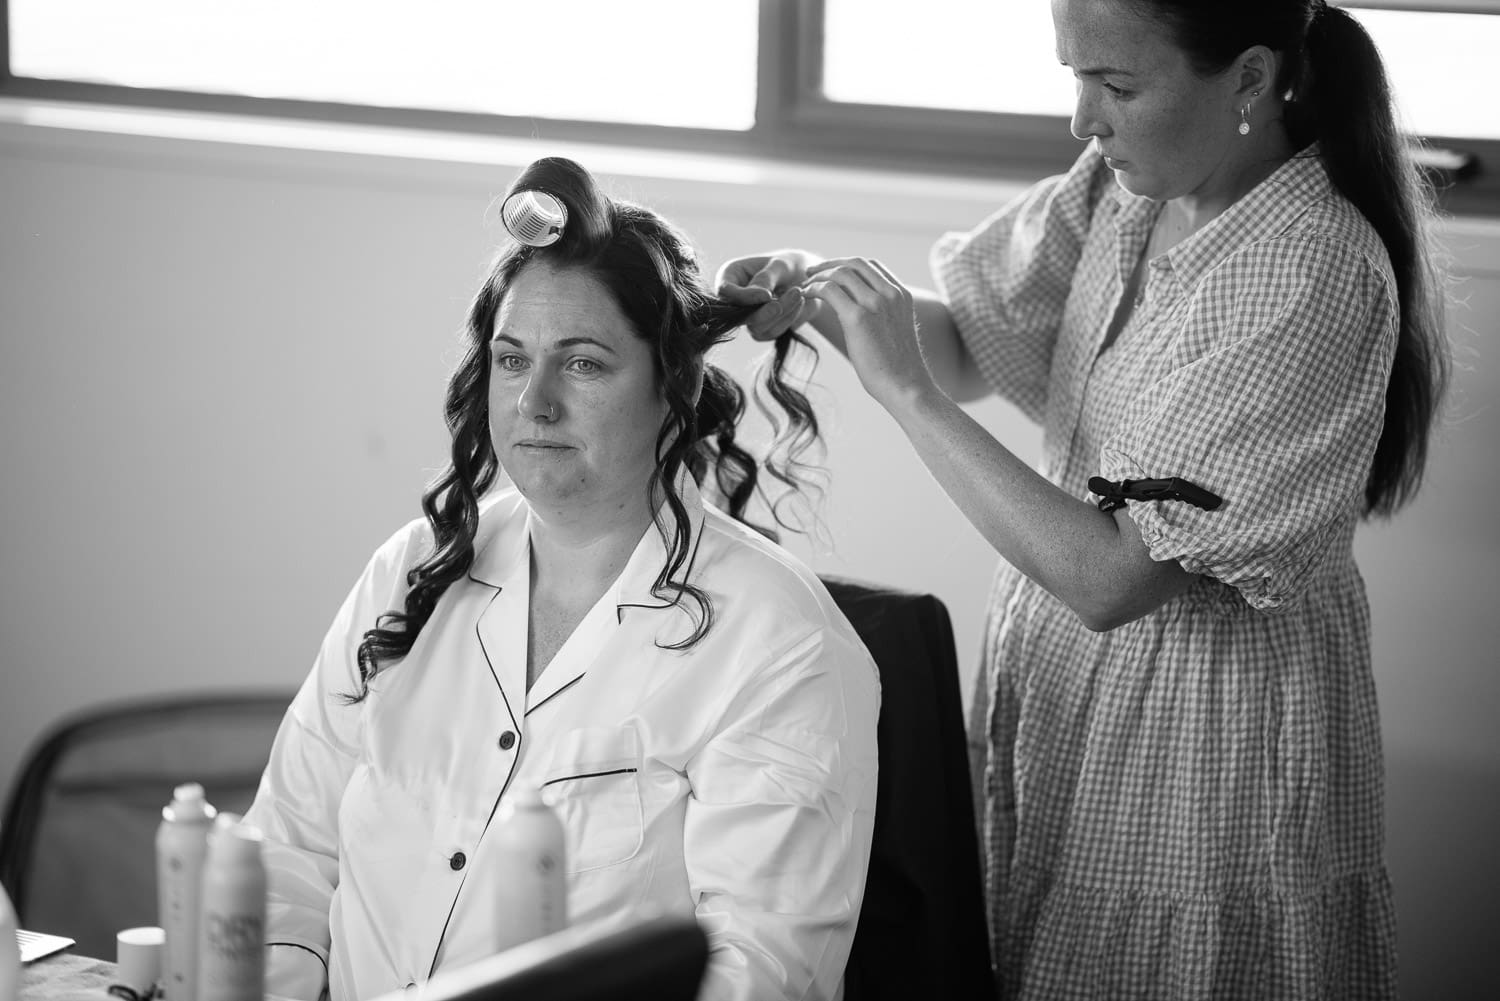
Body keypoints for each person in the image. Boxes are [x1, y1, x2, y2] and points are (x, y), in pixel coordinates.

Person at [717, 1, 1448, 998]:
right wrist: (825, 300)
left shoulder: (1309, 268)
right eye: (1074, 76)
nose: (1082, 119)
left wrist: (905, 393)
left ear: (1247, 78)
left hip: (1207, 742)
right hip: (1064, 700)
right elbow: (976, 341)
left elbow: (1113, 574)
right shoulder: (1126, 189)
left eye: (1117, 86)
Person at [243, 156, 880, 1001]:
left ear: (672, 384)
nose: (533, 402)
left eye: (581, 364)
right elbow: (286, 845)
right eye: (512, 361)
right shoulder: (413, 571)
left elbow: (759, 973)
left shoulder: (778, 640)